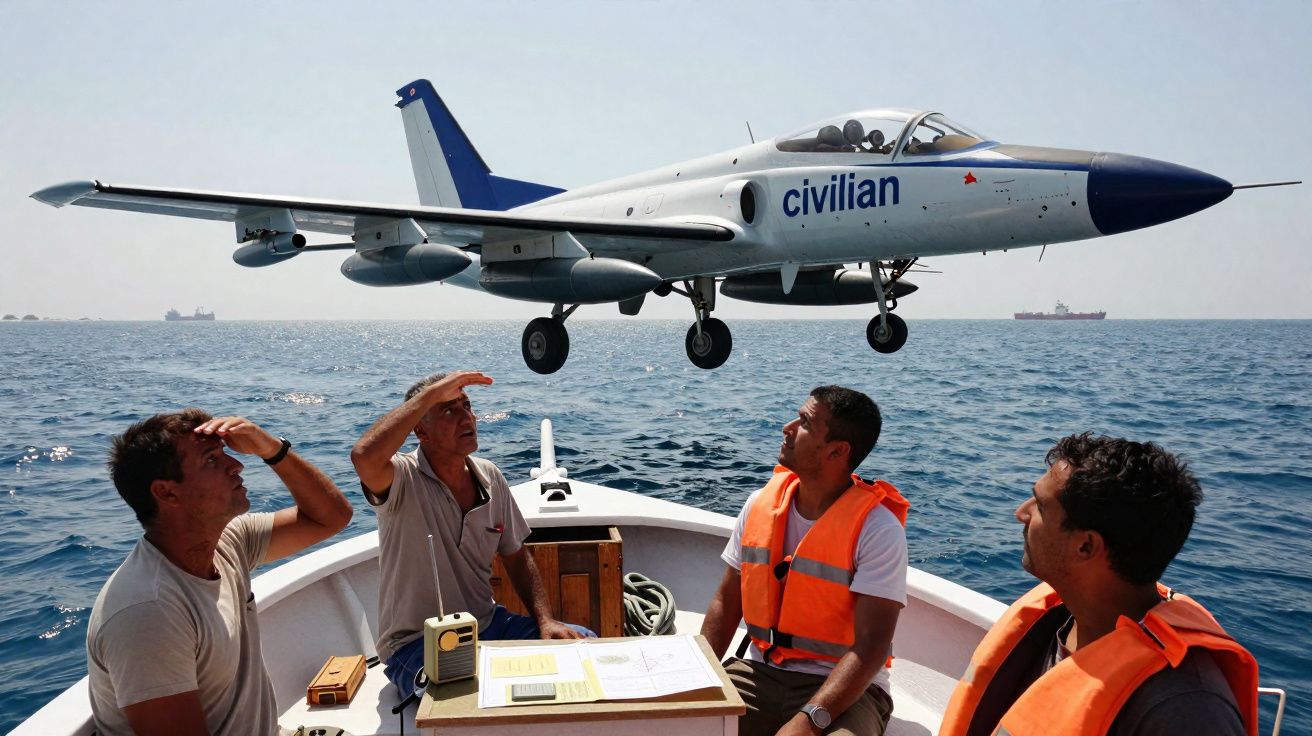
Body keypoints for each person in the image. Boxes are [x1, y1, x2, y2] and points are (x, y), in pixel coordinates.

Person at [940, 434, 1258, 736]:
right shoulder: (1055, 619)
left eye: (1041, 506)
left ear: (1086, 546)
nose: (1021, 513)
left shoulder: (1184, 711)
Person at [87, 410, 353, 736]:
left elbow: (332, 517)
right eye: (211, 459)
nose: (237, 465)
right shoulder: (149, 612)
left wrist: (272, 449)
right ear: (167, 492)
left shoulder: (227, 541)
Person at [350, 370, 590, 698]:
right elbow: (363, 456)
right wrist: (431, 394)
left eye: (467, 406)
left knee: (583, 648)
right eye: (448, 410)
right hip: (416, 643)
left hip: (487, 625)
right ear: (420, 429)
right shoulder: (402, 479)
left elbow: (516, 556)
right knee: (458, 695)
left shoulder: (489, 476)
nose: (466, 417)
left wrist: (545, 620)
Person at [702, 386, 909, 736]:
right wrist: (698, 679)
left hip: (846, 692)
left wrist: (809, 722)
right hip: (759, 673)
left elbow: (872, 646)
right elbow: (727, 601)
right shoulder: (758, 505)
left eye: (805, 423)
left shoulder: (878, 530)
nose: (788, 428)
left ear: (837, 451)